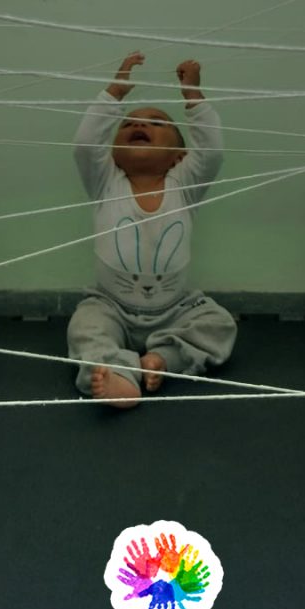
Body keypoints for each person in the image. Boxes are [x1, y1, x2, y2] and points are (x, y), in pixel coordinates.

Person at [67, 51, 237, 408]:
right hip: (110, 304)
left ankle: (163, 359)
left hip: (177, 308)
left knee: (219, 323)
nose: (139, 126)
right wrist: (115, 92)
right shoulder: (105, 181)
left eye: (157, 123)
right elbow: (84, 144)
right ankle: (118, 372)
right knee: (85, 327)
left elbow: (212, 151)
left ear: (179, 155)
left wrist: (193, 95)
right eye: (127, 124)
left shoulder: (185, 184)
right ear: (111, 152)